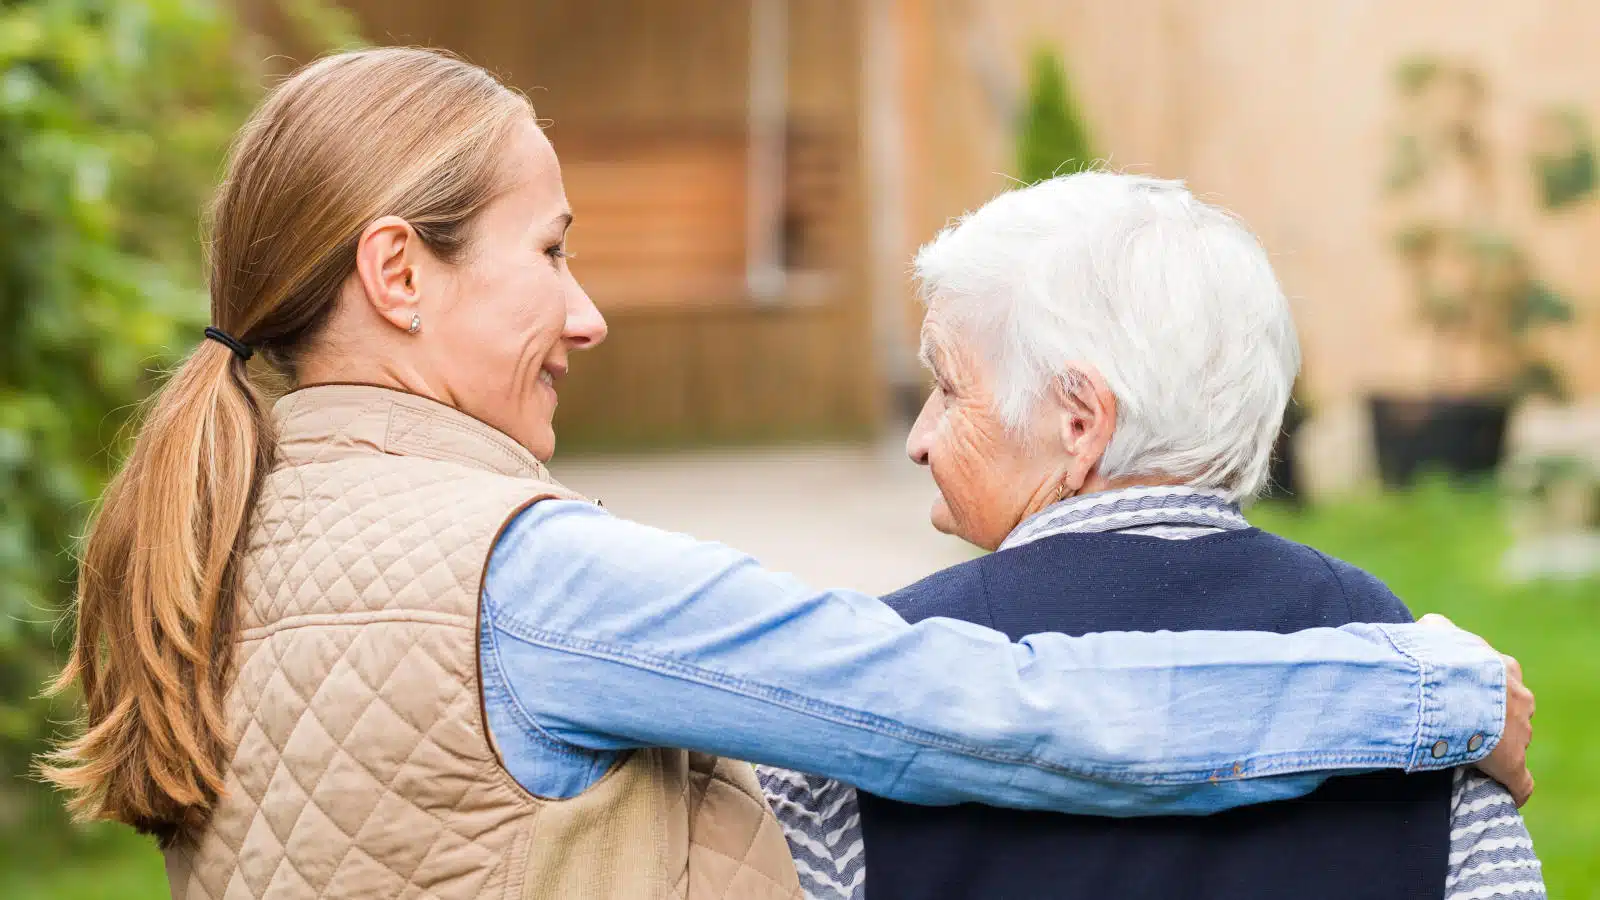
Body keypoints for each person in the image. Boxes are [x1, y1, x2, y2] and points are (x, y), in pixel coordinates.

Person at [38, 49, 1532, 900]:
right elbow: (1008, 714)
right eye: (550, 251)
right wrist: (1437, 696)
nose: (586, 311)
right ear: (396, 273)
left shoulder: (228, 533)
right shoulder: (523, 577)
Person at [758, 173, 1545, 900]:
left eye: (948, 387)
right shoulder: (1412, 669)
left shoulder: (867, 684)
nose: (919, 439)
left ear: (1079, 420)